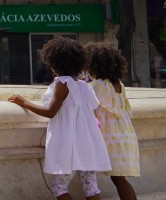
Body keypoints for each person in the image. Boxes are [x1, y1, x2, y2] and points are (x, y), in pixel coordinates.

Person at [8, 37, 111, 200]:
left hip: (70, 145)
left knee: (59, 186)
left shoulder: (63, 84)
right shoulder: (84, 86)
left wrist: (25, 102)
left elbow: (51, 112)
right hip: (87, 143)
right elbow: (91, 111)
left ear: (55, 63)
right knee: (90, 187)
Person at [85, 42, 140, 200]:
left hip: (111, 138)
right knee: (119, 179)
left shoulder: (97, 85)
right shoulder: (118, 84)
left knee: (119, 179)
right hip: (124, 135)